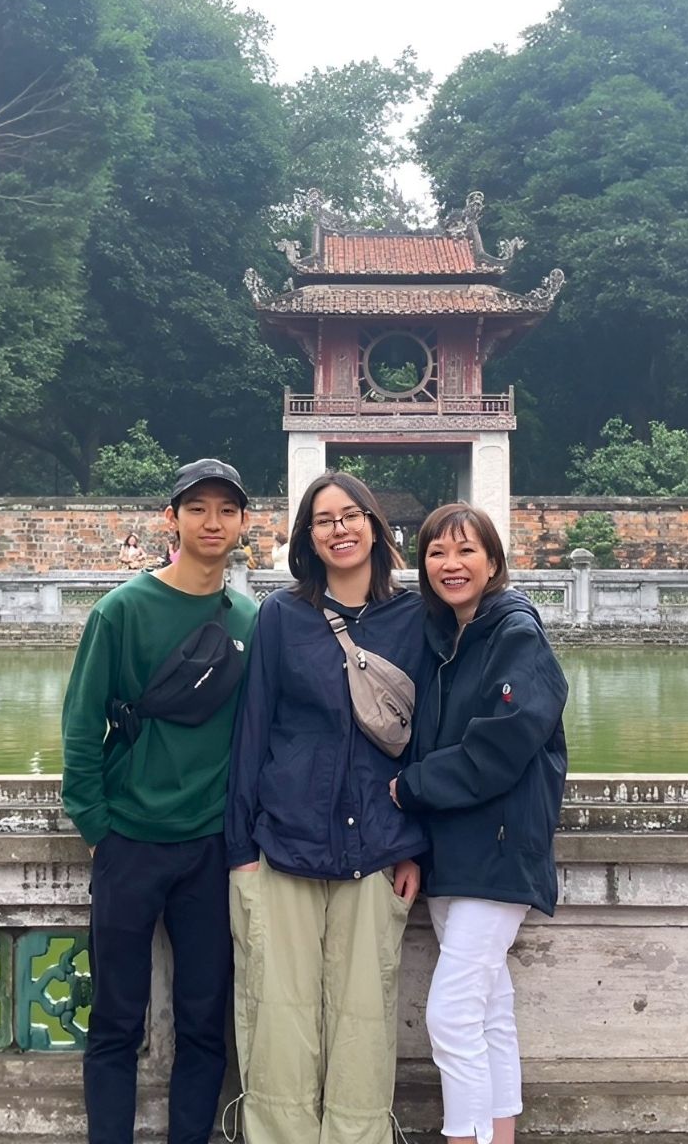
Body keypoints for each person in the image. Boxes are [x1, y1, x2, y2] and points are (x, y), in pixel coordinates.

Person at [61, 458, 259, 1144]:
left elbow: (262, 734)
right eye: (197, 508)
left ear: (241, 525)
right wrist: (95, 824)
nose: (212, 521)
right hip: (131, 840)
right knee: (117, 1015)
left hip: (211, 846)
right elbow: (82, 723)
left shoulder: (250, 620)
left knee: (206, 1021)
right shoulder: (122, 611)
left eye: (225, 510)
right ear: (170, 518)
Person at [225, 472, 426, 1144]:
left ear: (375, 524)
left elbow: (426, 743)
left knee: (365, 1016)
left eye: (350, 515)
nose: (338, 529)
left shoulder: (415, 620)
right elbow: (253, 730)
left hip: (375, 847)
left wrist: (412, 843)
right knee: (277, 1013)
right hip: (284, 841)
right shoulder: (282, 616)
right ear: (306, 537)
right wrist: (240, 851)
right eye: (322, 520)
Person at [390, 503, 569, 1144]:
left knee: (452, 1013)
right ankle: (500, 1134)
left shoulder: (515, 633)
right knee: (490, 1008)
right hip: (452, 852)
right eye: (437, 553)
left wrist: (409, 789)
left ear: (493, 562)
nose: (451, 564)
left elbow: (500, 747)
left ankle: (464, 1138)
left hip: (498, 850)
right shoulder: (445, 640)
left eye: (466, 551)